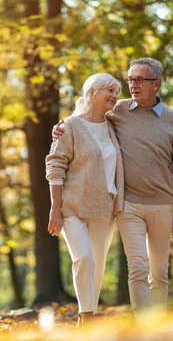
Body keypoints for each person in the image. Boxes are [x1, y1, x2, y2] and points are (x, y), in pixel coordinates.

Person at [53, 58, 173, 320]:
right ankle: (143, 326)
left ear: (156, 84)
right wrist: (61, 126)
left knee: (159, 271)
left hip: (163, 204)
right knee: (138, 266)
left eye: (140, 79)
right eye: (130, 79)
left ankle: (158, 326)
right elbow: (86, 116)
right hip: (127, 205)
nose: (132, 85)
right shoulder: (118, 111)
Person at [45, 73, 125, 326]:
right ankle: (87, 316)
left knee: (98, 266)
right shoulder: (69, 126)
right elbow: (55, 166)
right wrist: (55, 209)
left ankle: (86, 319)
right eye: (109, 91)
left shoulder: (115, 125)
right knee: (84, 258)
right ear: (92, 92)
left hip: (105, 208)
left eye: (116, 92)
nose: (114, 96)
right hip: (72, 208)